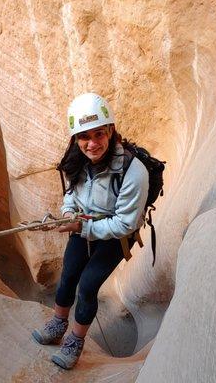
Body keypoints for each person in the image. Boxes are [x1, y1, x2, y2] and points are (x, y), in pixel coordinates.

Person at [31, 93, 149, 369]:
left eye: (99, 134)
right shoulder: (76, 160)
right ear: (76, 138)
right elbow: (70, 196)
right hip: (82, 227)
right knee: (68, 276)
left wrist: (82, 226)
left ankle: (75, 341)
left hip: (115, 239)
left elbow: (126, 223)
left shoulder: (133, 171)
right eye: (85, 137)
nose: (92, 143)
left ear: (110, 131)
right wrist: (69, 215)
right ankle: (58, 324)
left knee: (87, 287)